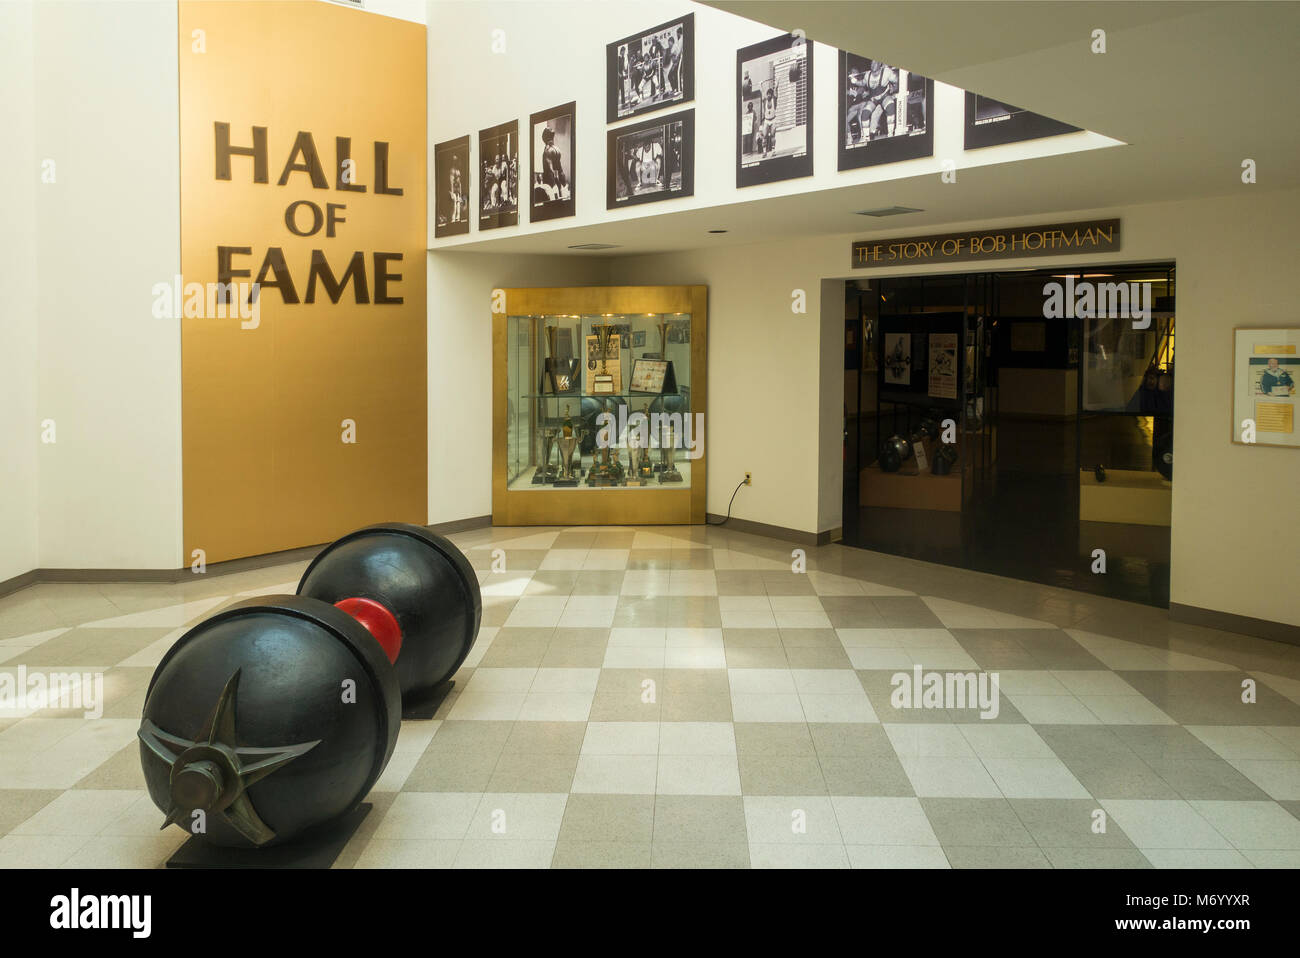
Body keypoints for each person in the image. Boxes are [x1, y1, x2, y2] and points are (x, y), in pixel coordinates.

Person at [540, 126, 567, 201]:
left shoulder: (548, 150)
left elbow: (550, 170)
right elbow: (560, 170)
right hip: (559, 182)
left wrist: (556, 185)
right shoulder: (557, 149)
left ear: (545, 137)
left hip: (551, 184)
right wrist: (562, 186)